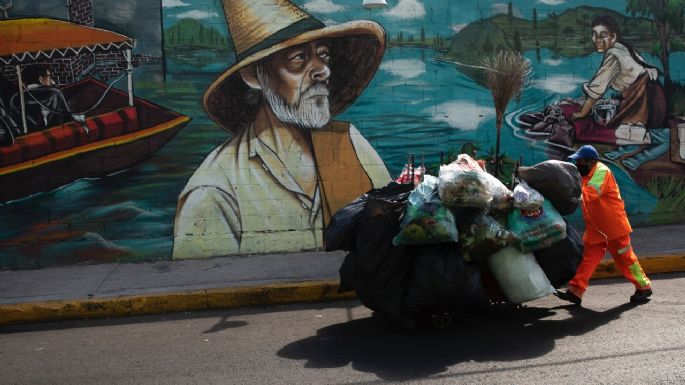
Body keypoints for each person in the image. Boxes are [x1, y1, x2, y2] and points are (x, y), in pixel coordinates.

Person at [172, 0, 391, 258]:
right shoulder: (214, 190)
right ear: (254, 76)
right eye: (298, 58)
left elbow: (392, 220)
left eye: (323, 55)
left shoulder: (350, 143)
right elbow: (202, 280)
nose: (323, 70)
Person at [555, 145, 652, 305]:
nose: (578, 164)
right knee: (587, 258)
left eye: (581, 161)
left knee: (626, 259)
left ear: (591, 161)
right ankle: (575, 291)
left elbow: (591, 193)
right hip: (597, 228)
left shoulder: (602, 172)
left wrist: (566, 191)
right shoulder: (586, 175)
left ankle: (644, 287)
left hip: (614, 227)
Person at [569, 15, 668, 171]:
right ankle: (624, 152)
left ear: (613, 36)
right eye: (594, 34)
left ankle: (636, 158)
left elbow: (597, 89)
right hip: (646, 97)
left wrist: (582, 112)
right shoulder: (622, 48)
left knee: (656, 136)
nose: (597, 39)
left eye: (603, 35)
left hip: (646, 101)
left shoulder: (614, 55)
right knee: (632, 129)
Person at [9, 65, 71, 132]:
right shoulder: (55, 92)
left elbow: (14, 124)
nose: (52, 81)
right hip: (57, 132)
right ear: (41, 79)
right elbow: (68, 116)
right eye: (49, 77)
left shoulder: (14, 98)